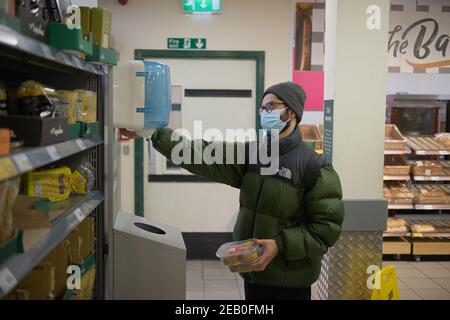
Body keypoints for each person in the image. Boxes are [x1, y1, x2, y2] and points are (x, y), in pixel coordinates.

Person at [121, 81, 344, 300]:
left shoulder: (315, 167)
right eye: (263, 108)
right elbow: (197, 152)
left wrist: (279, 245)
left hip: (290, 283)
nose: (265, 112)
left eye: (272, 106)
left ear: (292, 112)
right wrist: (151, 132)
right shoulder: (253, 155)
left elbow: (325, 230)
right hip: (253, 274)